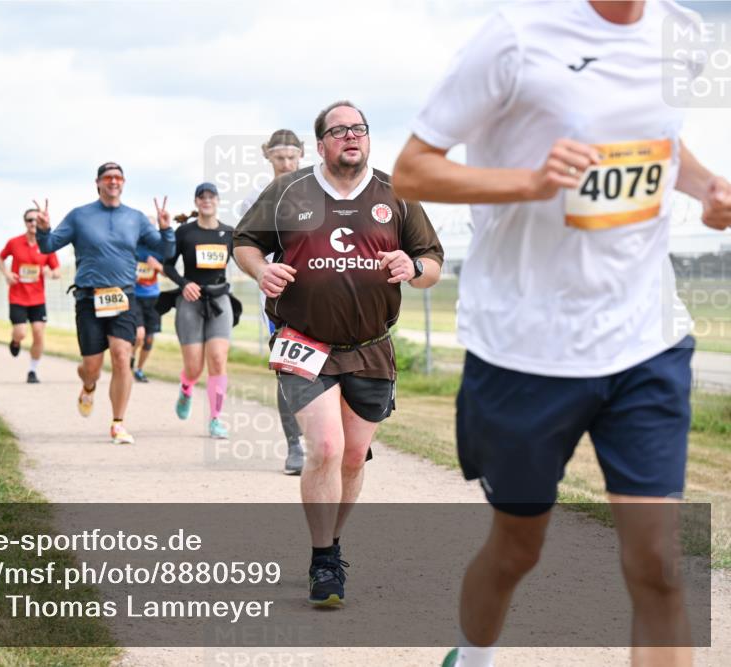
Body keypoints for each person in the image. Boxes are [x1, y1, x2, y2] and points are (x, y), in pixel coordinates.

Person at [390, 2, 731, 666]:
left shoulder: (682, 33)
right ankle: (474, 652)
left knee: (658, 558)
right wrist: (531, 179)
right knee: (518, 546)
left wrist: (708, 188)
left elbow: (658, 139)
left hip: (645, 337)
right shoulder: (516, 37)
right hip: (525, 348)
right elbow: (413, 169)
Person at [234, 101, 444, 607]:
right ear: (322, 143)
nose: (351, 136)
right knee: (325, 448)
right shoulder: (288, 190)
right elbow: (244, 241)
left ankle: (331, 542)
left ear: (368, 139)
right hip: (304, 340)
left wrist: (411, 269)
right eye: (340, 130)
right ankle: (323, 558)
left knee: (352, 457)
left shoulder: (397, 193)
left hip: (371, 346)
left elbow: (432, 261)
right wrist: (261, 271)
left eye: (360, 129)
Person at [34, 162, 175, 444]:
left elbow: (165, 251)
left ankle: (118, 423)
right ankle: (88, 385)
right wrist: (43, 229)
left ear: (123, 183)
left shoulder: (135, 218)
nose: (113, 182)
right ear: (98, 182)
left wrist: (166, 229)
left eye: (118, 178)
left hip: (123, 296)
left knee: (122, 356)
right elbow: (48, 246)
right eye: (108, 177)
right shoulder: (79, 216)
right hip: (89, 297)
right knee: (92, 367)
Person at [244, 129, 308, 475]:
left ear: (302, 156)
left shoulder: (320, 192)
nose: (286, 164)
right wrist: (265, 271)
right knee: (289, 370)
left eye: (292, 157)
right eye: (280, 157)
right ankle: (295, 445)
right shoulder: (257, 198)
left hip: (326, 295)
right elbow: (248, 249)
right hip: (280, 299)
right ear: (267, 156)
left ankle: (336, 439)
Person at [162, 183, 237, 438]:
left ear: (217, 201)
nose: (206, 200)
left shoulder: (229, 233)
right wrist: (185, 284)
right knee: (194, 367)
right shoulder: (184, 232)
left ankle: (216, 419)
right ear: (196, 202)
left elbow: (248, 259)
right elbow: (168, 266)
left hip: (219, 299)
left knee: (217, 358)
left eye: (211, 196)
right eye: (201, 196)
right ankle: (186, 388)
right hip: (190, 301)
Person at [0, 209, 61, 383]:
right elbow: (0, 259)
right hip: (17, 296)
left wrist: (51, 272)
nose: (33, 223)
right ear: (25, 222)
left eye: (36, 220)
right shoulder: (14, 242)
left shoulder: (46, 246)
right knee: (21, 333)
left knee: (39, 333)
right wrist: (7, 274)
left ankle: (32, 371)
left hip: (38, 298)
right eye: (29, 220)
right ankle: (15, 341)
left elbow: (57, 271)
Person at [131, 225, 165, 383]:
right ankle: (130, 359)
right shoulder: (133, 248)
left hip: (153, 298)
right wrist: (132, 277)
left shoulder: (159, 250)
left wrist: (158, 266)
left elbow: (169, 271)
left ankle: (139, 369)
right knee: (139, 335)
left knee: (149, 339)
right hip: (135, 297)